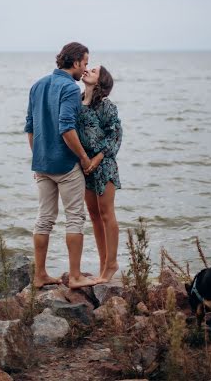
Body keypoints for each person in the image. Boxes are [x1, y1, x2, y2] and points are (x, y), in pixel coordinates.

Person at [24, 42, 97, 289]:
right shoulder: (69, 87)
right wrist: (85, 160)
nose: (85, 68)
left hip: (42, 164)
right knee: (75, 217)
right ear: (75, 62)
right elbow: (67, 128)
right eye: (85, 63)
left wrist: (38, 159)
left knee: (44, 219)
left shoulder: (37, 85)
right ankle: (75, 276)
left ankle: (40, 275)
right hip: (65, 165)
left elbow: (30, 128)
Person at [77, 65, 123, 282]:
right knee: (94, 215)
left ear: (100, 82)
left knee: (106, 213)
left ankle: (111, 264)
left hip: (104, 166)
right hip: (85, 167)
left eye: (93, 71)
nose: (86, 70)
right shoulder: (77, 102)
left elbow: (115, 135)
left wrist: (97, 158)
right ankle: (104, 262)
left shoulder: (106, 106)